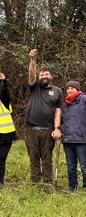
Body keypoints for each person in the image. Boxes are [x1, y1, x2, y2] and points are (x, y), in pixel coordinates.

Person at [25, 49, 62, 184]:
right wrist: (32, 60)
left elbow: (58, 111)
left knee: (47, 158)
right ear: (39, 76)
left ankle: (48, 183)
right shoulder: (35, 86)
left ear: (51, 76)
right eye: (42, 74)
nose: (44, 76)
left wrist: (57, 128)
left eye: (46, 74)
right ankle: (35, 182)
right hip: (31, 129)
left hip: (48, 130)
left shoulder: (57, 91)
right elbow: (31, 75)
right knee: (33, 157)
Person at [60, 80, 86, 191]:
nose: (70, 90)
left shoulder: (83, 99)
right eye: (68, 88)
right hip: (68, 140)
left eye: (72, 88)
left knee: (84, 166)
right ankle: (72, 187)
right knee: (71, 166)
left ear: (77, 89)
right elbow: (61, 120)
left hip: (82, 139)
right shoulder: (65, 104)